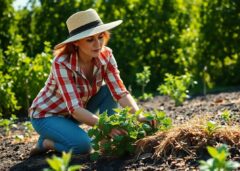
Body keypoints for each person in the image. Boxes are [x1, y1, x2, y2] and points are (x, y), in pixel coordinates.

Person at [29, 8, 156, 156]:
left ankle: (105, 142)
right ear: (76, 42)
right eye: (90, 40)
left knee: (109, 90)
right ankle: (46, 143)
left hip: (75, 113)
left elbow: (120, 91)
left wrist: (139, 116)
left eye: (100, 37)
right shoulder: (62, 63)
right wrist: (105, 126)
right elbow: (75, 110)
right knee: (83, 147)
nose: (98, 44)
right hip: (48, 115)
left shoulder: (106, 55)